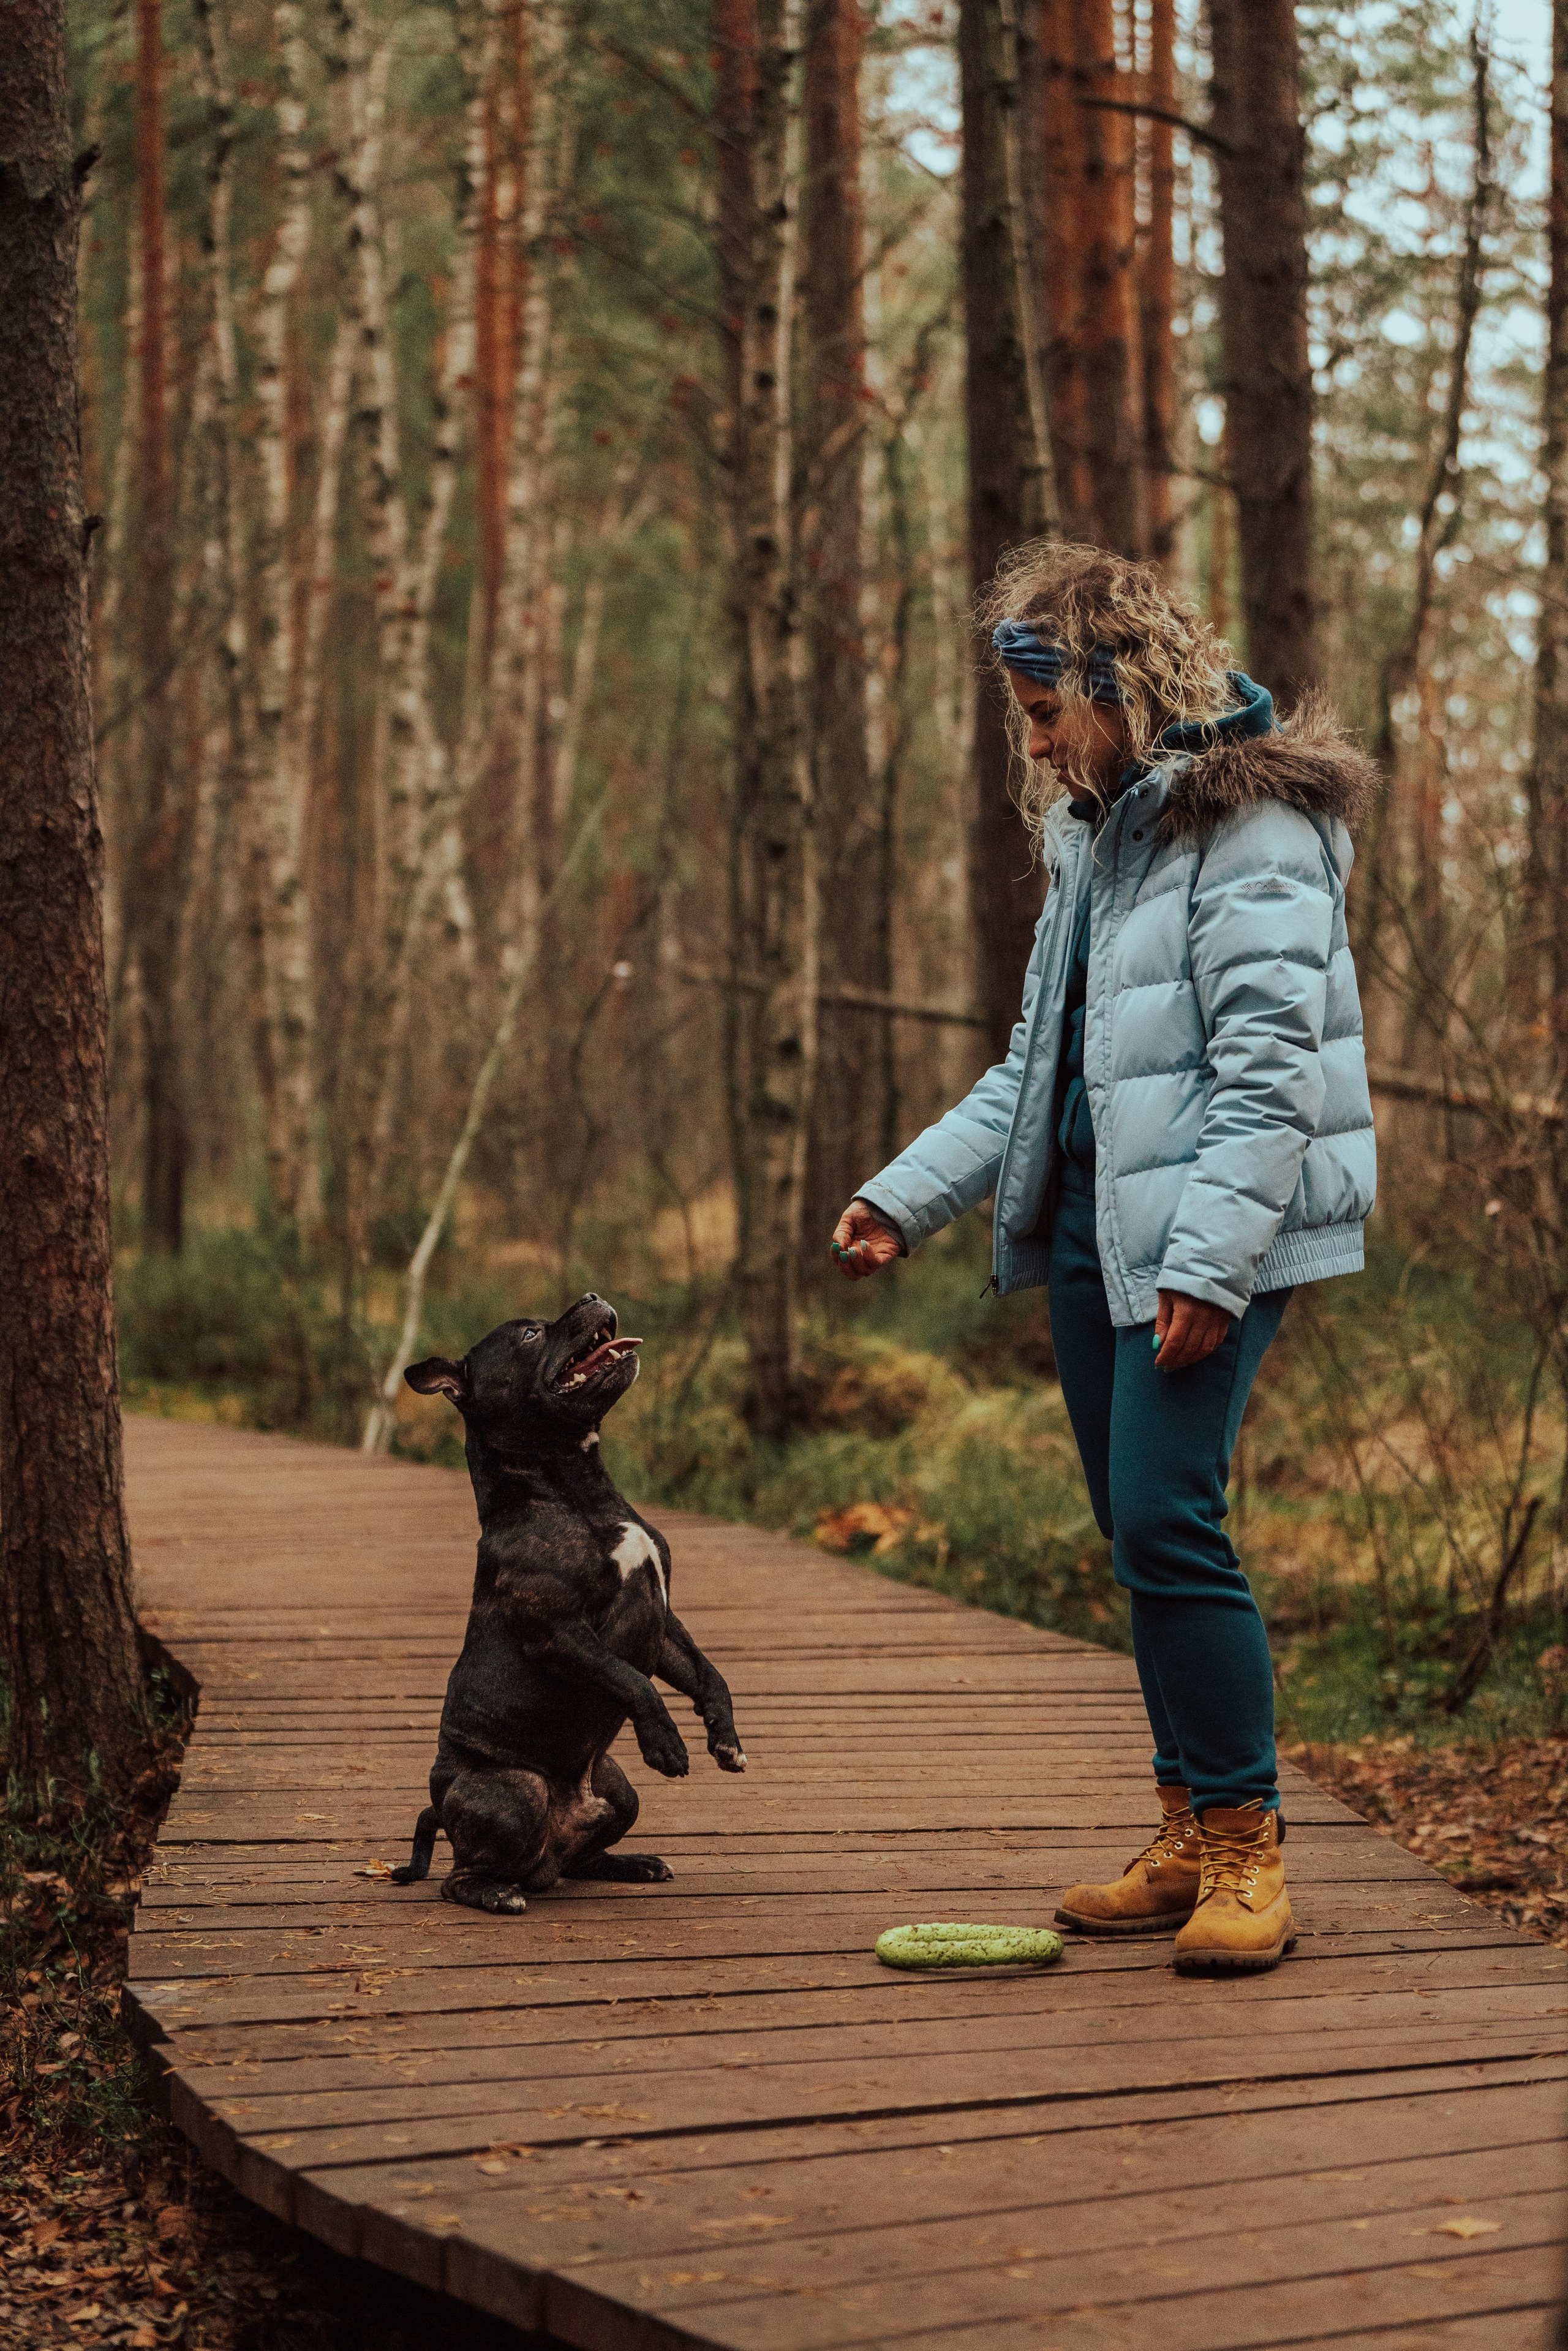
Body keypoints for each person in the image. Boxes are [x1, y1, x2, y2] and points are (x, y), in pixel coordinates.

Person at [831, 542, 1377, 1973]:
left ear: (1115, 679)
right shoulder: (1095, 835)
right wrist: (906, 1196)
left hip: (1209, 1233)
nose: (1033, 741)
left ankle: (1249, 1848)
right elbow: (1036, 1067)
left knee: (1164, 1517)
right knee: (1135, 1537)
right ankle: (1187, 1828)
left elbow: (1269, 1076)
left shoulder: (1251, 828)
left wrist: (1207, 1264)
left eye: (1043, 709)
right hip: (1092, 1230)